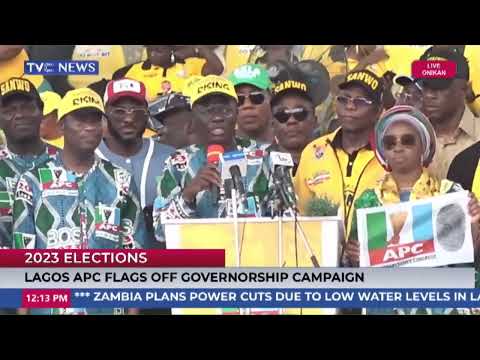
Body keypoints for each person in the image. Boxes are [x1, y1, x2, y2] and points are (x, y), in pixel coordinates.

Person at [346, 105, 480, 314]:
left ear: (423, 147)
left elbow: (467, 256)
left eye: (407, 140)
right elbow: (358, 271)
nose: (398, 147)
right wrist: (356, 256)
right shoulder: (368, 201)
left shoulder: (450, 194)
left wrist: (472, 224)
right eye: (390, 143)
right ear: (383, 152)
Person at [12, 87, 147, 251]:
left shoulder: (121, 180)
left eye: (95, 120)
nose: (89, 127)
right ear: (62, 126)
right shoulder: (32, 181)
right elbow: (20, 255)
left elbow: (135, 251)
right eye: (80, 120)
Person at [153, 75, 270, 242]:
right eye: (207, 111)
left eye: (225, 110)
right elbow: (160, 232)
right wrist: (188, 194)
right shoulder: (177, 162)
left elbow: (286, 222)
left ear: (236, 113)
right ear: (192, 117)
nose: (217, 118)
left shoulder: (263, 156)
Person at [294, 69, 386, 238]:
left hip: (374, 257)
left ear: (378, 110)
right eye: (344, 99)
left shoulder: (390, 152)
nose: (350, 106)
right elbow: (300, 217)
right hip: (321, 258)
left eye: (360, 101)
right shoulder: (314, 151)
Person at [94, 78, 175, 246]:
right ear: (105, 114)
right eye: (119, 111)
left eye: (136, 110)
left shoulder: (170, 157)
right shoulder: (89, 158)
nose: (129, 118)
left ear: (147, 113)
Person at [0, 78, 59, 247]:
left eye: (27, 107)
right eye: (9, 110)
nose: (19, 115)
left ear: (41, 111)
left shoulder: (66, 163)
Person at [418, 47, 480, 180]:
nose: (429, 94)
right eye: (425, 85)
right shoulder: (409, 137)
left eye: (439, 85)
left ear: (464, 88)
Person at [112, 45, 224, 101]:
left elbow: (217, 68)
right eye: (150, 50)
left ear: (172, 50)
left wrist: (197, 50)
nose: (153, 55)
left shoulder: (190, 64)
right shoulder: (136, 70)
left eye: (159, 50)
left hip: (185, 125)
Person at [267, 78, 317, 176]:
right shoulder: (259, 166)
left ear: (314, 121)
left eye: (299, 113)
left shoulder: (332, 160)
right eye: (283, 115)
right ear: (272, 124)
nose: (291, 121)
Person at [228, 64, 274, 145]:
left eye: (256, 97)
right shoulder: (220, 150)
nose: (247, 105)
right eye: (238, 99)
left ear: (272, 99)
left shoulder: (292, 143)